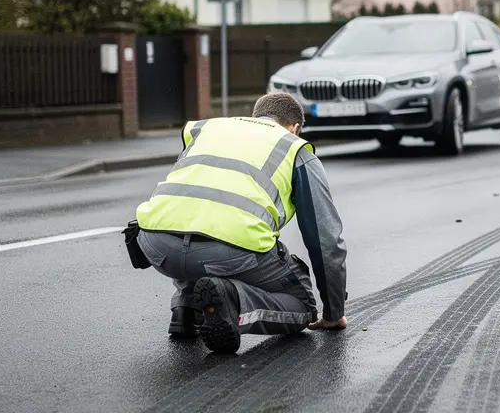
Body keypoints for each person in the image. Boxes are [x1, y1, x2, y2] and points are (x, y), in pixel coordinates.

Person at [133, 92, 348, 354]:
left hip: (156, 243)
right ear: (295, 128)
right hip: (230, 252)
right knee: (302, 306)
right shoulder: (293, 147)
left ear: (255, 116)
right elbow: (325, 239)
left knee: (195, 217)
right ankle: (233, 303)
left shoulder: (207, 129)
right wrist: (334, 311)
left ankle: (186, 309)